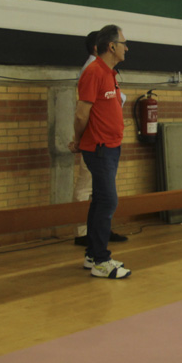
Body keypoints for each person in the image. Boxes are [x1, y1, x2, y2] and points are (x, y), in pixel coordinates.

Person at [67, 25, 132, 280]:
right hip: (99, 148)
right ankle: (102, 261)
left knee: (100, 201)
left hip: (111, 147)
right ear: (111, 46)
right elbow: (82, 113)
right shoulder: (93, 72)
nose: (127, 47)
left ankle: (93, 255)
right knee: (108, 201)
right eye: (124, 43)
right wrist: (78, 140)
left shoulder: (111, 73)